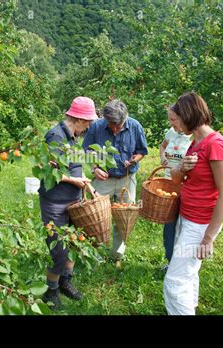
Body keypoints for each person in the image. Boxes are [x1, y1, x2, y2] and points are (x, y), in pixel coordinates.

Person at [163, 91, 223, 315]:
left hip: (200, 223)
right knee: (188, 274)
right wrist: (182, 167)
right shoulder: (196, 143)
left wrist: (208, 238)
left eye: (176, 120)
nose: (174, 127)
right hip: (188, 216)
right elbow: (177, 177)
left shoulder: (215, 143)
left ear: (188, 114)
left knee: (174, 282)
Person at [39, 96, 97, 310]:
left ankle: (65, 281)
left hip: (73, 200)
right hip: (55, 202)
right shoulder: (55, 135)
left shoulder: (73, 137)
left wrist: (88, 187)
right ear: (78, 119)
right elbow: (48, 170)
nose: (89, 125)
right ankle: (51, 290)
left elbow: (75, 168)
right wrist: (74, 181)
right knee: (59, 249)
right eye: (88, 121)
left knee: (74, 242)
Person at [82, 99, 148, 268]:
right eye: (112, 125)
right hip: (104, 179)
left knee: (123, 218)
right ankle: (94, 254)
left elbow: (141, 150)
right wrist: (95, 167)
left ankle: (117, 255)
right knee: (96, 217)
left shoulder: (134, 126)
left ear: (125, 118)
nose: (115, 128)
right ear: (105, 119)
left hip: (126, 179)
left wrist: (135, 160)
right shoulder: (96, 127)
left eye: (118, 125)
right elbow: (87, 150)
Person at [159, 113, 192, 270]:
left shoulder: (194, 137)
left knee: (183, 228)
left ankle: (182, 264)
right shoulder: (171, 132)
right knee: (169, 227)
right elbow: (163, 146)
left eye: (174, 120)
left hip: (184, 187)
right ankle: (171, 260)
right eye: (169, 120)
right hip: (167, 184)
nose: (171, 123)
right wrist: (163, 158)